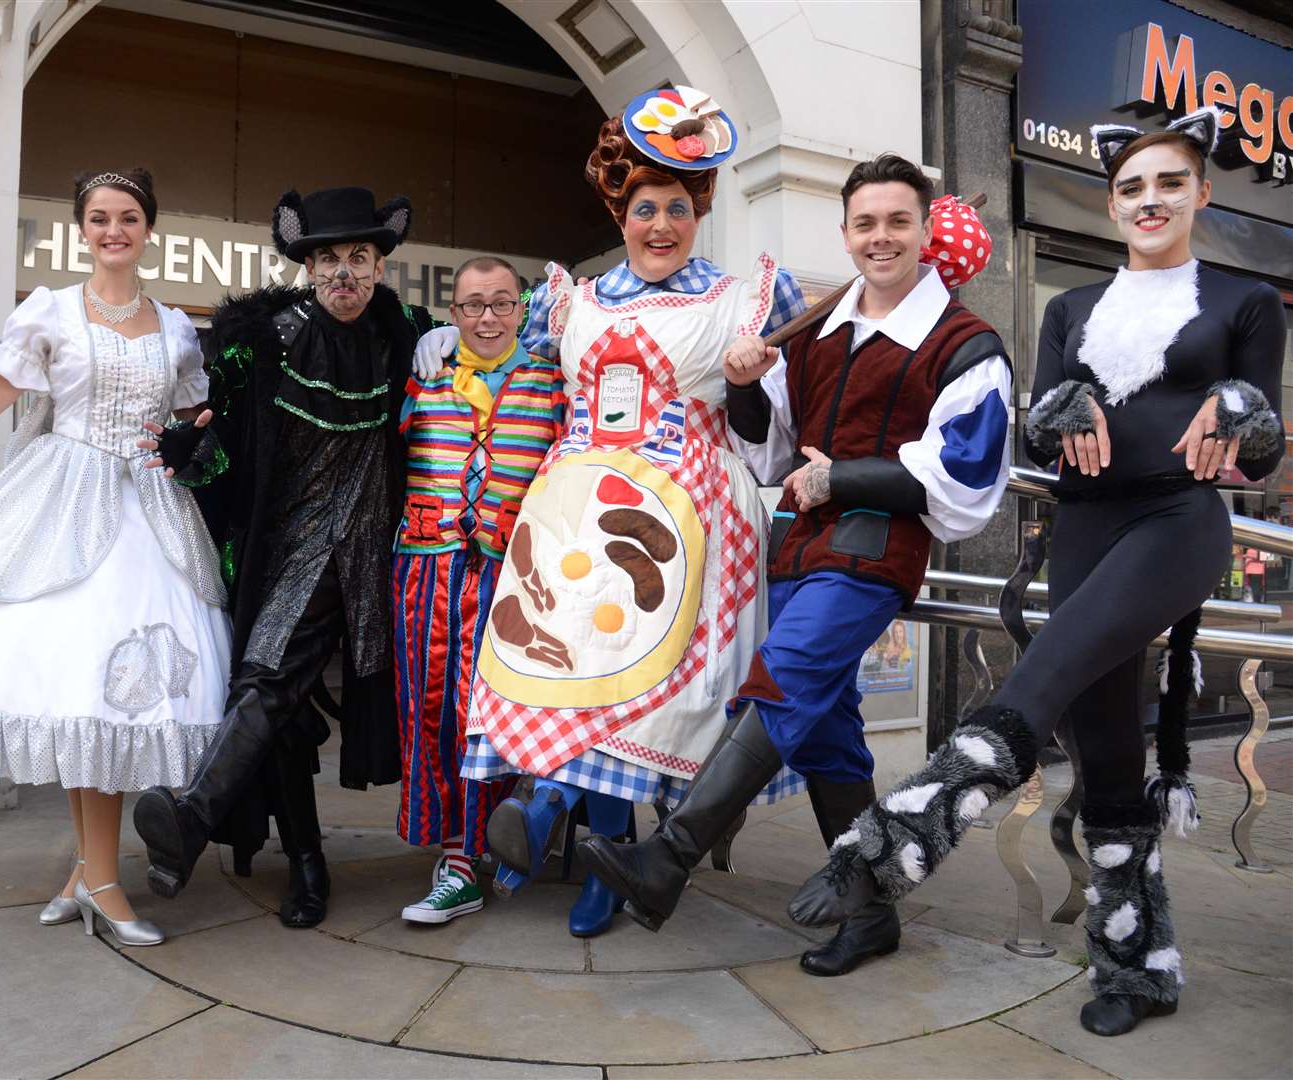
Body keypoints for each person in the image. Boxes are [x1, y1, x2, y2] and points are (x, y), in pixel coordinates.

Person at [788, 108, 1285, 1035]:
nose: (1150, 201)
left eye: (1170, 183)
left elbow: (1262, 453)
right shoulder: (1069, 309)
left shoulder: (1246, 302)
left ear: (1202, 192)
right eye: (1133, 187)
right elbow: (1039, 438)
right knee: (1103, 750)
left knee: (1040, 677)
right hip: (1086, 528)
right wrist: (1063, 409)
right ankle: (1136, 963)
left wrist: (1237, 405)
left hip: (1179, 522)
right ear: (1111, 201)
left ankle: (898, 838)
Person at [581, 151, 1012, 976]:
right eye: (865, 223)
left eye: (897, 221)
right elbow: (769, 442)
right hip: (799, 546)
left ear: (925, 231)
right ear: (846, 233)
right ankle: (871, 913)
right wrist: (746, 381)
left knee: (784, 680)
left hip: (874, 552)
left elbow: (966, 475)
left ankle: (664, 861)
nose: (880, 237)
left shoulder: (966, 342)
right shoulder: (821, 327)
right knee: (825, 733)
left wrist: (841, 477)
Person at [425, 87, 808, 939]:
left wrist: (745, 384)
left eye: (677, 206)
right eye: (644, 208)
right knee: (569, 670)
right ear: (619, 211)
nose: (661, 224)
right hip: (576, 509)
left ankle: (555, 806)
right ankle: (590, 848)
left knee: (639, 681)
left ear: (700, 209)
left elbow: (767, 436)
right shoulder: (572, 300)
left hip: (691, 509)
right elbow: (508, 375)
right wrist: (439, 345)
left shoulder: (741, 301)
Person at [0, 168, 232, 948]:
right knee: (82, 696)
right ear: (81, 229)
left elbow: (198, 414)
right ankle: (98, 878)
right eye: (98, 218)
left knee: (109, 701)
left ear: (149, 229)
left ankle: (88, 873)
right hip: (61, 506)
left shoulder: (175, 328)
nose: (113, 231)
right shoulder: (50, 311)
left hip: (151, 515)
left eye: (128, 217)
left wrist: (199, 431)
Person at [134, 186, 435, 929]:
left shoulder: (410, 338)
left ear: (380, 264)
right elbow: (221, 454)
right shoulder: (262, 343)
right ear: (306, 263)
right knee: (279, 702)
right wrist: (191, 451)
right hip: (288, 553)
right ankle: (301, 862)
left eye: (359, 258)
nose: (344, 273)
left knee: (273, 689)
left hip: (375, 559)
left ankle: (198, 820)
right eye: (328, 258)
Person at [392, 256, 563, 925]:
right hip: (426, 568)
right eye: (471, 305)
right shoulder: (422, 375)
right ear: (453, 312)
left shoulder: (554, 380)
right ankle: (455, 847)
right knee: (427, 712)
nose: (486, 318)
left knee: (486, 715)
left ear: (521, 309)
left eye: (500, 303)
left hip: (513, 574)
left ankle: (472, 855)